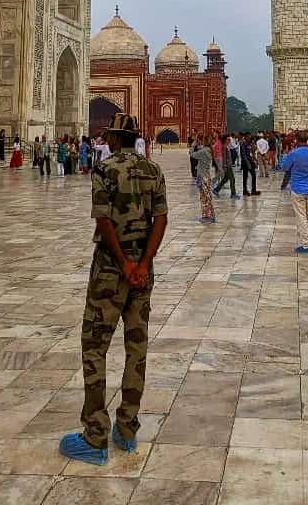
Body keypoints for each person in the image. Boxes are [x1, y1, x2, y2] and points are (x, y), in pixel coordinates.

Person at [59, 113, 167, 466]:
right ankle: (128, 428)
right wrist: (141, 263)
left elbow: (103, 219)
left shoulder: (105, 169)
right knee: (137, 348)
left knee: (95, 347)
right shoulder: (154, 170)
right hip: (142, 271)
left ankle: (94, 436)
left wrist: (122, 263)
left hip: (110, 268)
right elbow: (161, 220)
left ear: (115, 138)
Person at [277, 130, 308, 253]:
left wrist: (285, 155)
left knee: (301, 217)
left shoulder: (293, 154)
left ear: (296, 140)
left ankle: (305, 244)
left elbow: (284, 167)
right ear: (307, 140)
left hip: (297, 188)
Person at [189, 136, 216, 223]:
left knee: (205, 197)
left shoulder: (204, 151)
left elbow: (192, 154)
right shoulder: (208, 150)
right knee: (206, 196)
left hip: (203, 177)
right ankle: (207, 215)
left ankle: (210, 215)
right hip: (206, 176)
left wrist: (193, 145)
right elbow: (201, 149)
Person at [213, 134, 238, 199]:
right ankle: (233, 193)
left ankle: (216, 189)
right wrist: (224, 166)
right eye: (228, 139)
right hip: (227, 166)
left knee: (225, 179)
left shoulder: (226, 146)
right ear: (225, 140)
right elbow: (223, 158)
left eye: (229, 139)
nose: (229, 140)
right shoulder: (224, 147)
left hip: (228, 165)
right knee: (232, 179)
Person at [240, 131, 259, 197]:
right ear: (245, 137)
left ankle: (253, 190)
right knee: (245, 177)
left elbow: (252, 152)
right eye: (248, 136)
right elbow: (243, 155)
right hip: (245, 162)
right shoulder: (242, 143)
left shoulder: (249, 143)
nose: (249, 138)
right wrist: (248, 164)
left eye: (249, 136)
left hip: (250, 161)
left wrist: (254, 162)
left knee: (253, 176)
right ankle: (244, 190)